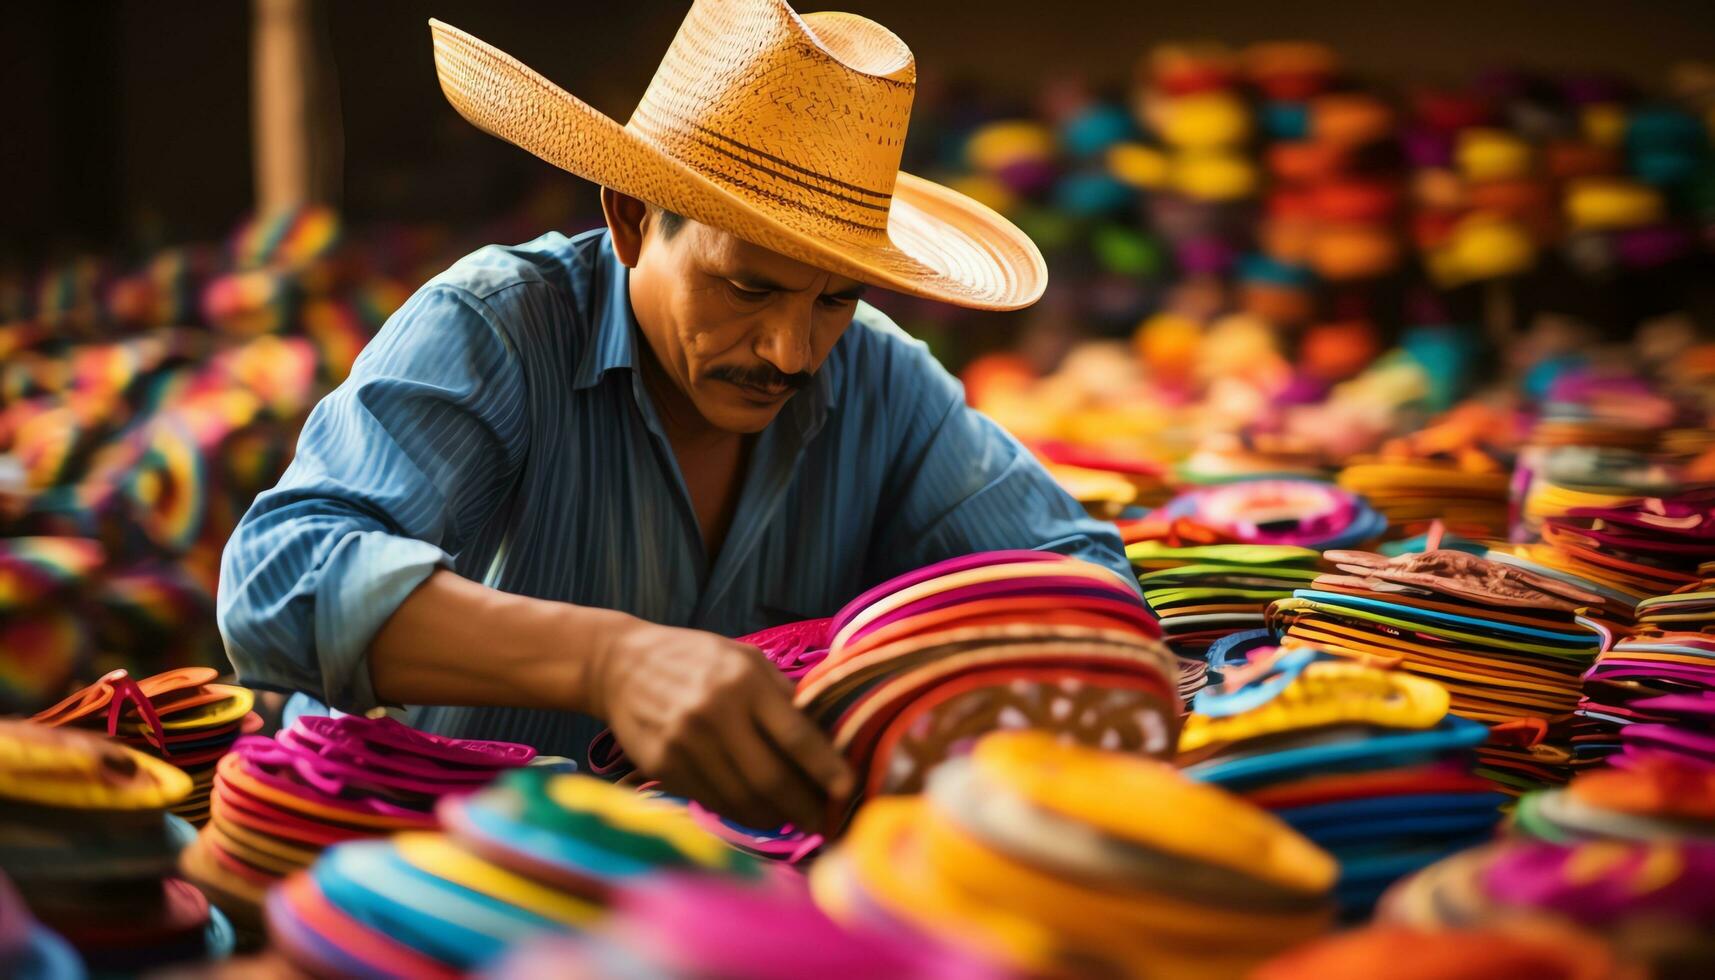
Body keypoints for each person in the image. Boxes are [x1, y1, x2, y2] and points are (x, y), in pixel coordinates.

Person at [218, 0, 1132, 833]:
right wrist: (608, 662)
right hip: (404, 878)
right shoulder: (498, 327)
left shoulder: (882, 380)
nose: (790, 351)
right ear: (628, 220)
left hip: (708, 908)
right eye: (746, 286)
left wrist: (876, 684)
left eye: (834, 300)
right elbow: (276, 584)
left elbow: (1083, 587)